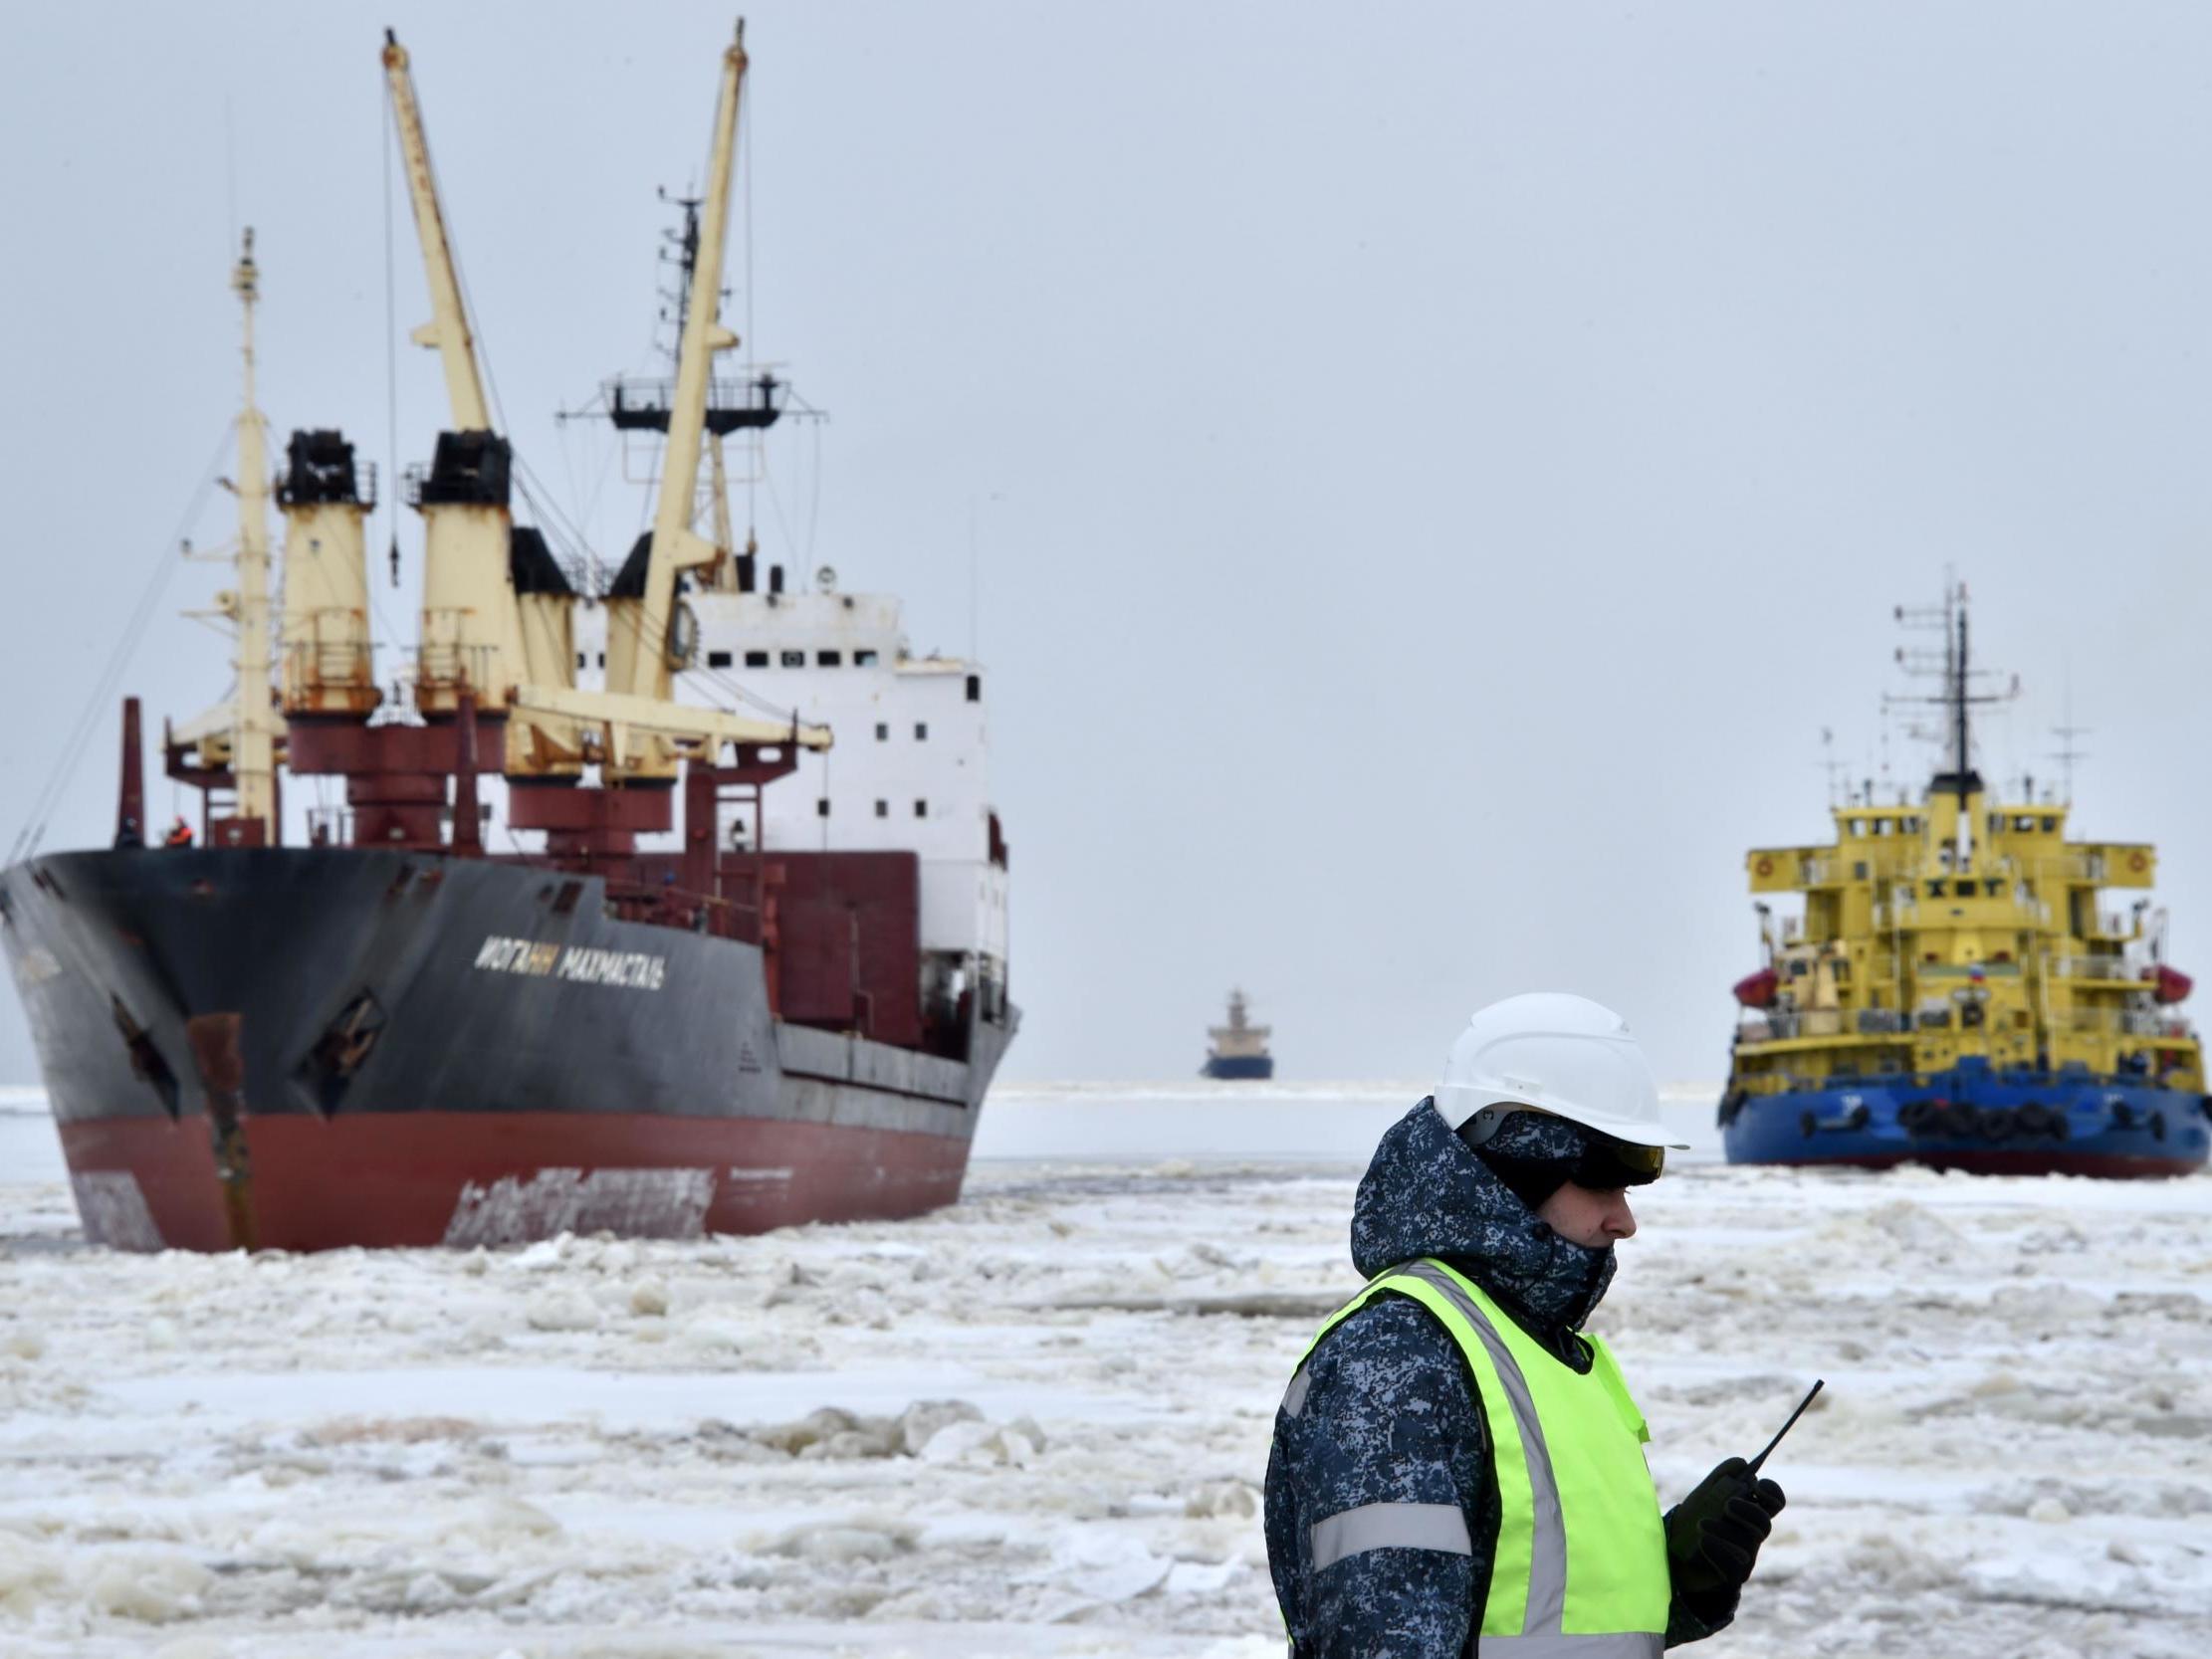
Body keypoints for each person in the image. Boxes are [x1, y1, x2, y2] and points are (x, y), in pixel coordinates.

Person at [1265, 993, 1789, 1655]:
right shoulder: (1398, 1361)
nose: (1625, 1218)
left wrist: (1677, 1587)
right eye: (1603, 1175)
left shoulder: (1543, 1349)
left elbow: (1536, 1620)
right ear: (1516, 1160)